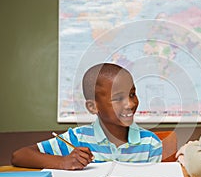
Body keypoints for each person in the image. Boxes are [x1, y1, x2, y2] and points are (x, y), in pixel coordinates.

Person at [11, 63, 162, 170]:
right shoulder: (76, 139)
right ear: (93, 107)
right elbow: (19, 156)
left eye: (132, 94)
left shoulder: (150, 144)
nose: (130, 104)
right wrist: (63, 162)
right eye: (118, 98)